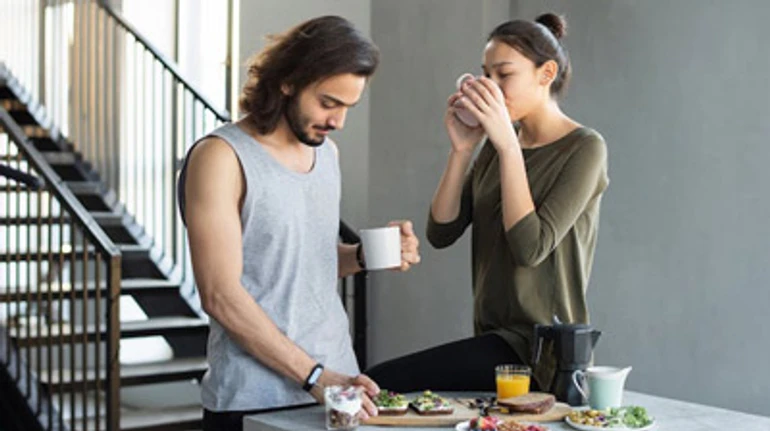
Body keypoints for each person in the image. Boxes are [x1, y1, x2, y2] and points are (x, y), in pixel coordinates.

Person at [177, 15, 421, 431]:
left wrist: (365, 256)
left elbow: (305, 260)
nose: (338, 121)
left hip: (338, 388)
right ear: (288, 81)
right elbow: (220, 294)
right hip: (254, 397)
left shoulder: (327, 155)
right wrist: (314, 376)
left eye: (348, 107)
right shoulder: (221, 158)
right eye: (328, 103)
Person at [366, 13, 609, 395]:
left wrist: (507, 146)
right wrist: (462, 150)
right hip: (493, 337)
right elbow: (441, 232)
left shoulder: (584, 148)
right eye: (486, 74)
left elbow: (530, 247)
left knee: (381, 381)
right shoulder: (499, 145)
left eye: (504, 74)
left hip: (541, 349)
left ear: (546, 74)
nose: (491, 87)